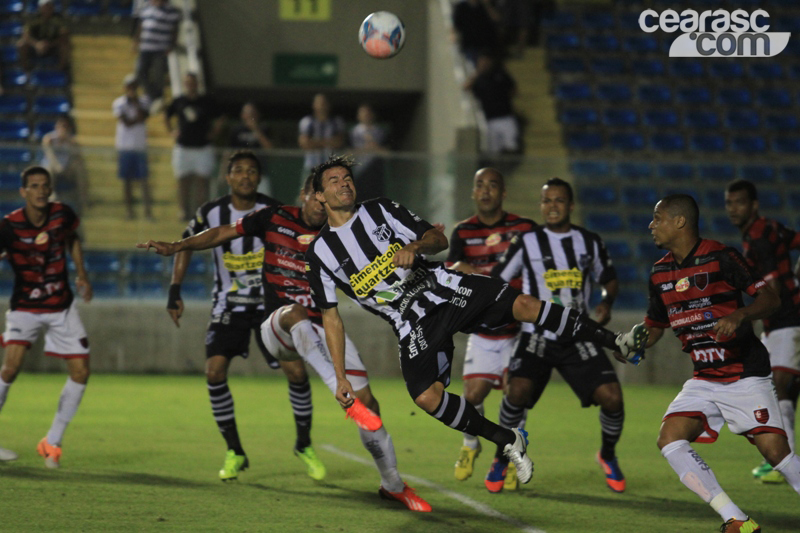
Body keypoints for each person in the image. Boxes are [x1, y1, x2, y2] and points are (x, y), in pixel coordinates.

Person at [302, 155, 647, 493]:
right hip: (410, 323)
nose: (344, 183)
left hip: (445, 288)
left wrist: (416, 244)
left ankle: (617, 341)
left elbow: (440, 241)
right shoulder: (319, 253)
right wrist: (340, 375)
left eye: (346, 178)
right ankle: (507, 439)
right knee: (425, 397)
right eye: (334, 181)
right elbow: (331, 316)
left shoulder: (381, 209)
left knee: (524, 304)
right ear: (319, 195)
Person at [137, 157, 430, 512]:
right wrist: (178, 245)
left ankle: (392, 483)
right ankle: (338, 391)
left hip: (325, 326)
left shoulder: (339, 236)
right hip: (277, 325)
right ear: (308, 194)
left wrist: (418, 243)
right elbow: (221, 233)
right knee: (294, 314)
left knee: (371, 404)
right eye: (318, 198)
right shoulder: (275, 217)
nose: (322, 206)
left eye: (327, 201)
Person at [628, 194, 800, 532]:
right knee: (670, 438)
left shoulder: (722, 257)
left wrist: (740, 314)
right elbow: (655, 325)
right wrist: (633, 342)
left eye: (657, 218)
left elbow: (770, 298)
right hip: (704, 379)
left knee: (776, 454)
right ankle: (735, 519)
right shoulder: (660, 272)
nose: (651, 225)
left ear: (680, 222)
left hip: (744, 374)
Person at [492, 177, 626, 493]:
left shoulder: (589, 241)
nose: (552, 206)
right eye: (547, 200)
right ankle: (501, 457)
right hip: (536, 334)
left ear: (570, 205)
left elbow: (609, 278)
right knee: (516, 393)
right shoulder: (525, 241)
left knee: (612, 398)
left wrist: (606, 301)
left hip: (578, 334)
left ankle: (607, 455)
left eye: (559, 200)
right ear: (541, 206)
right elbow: (499, 280)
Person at [445, 168, 535, 491]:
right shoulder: (463, 231)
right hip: (483, 331)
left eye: (492, 185)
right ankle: (471, 443)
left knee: (516, 395)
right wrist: (460, 268)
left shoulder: (524, 228)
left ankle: (510, 457)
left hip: (519, 331)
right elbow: (452, 272)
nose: (485, 191)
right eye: (479, 185)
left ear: (503, 192)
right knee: (472, 396)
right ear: (472, 193)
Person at [0, 166, 93, 469]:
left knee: (81, 371)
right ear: (23, 192)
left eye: (45, 185)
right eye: (34, 186)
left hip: (61, 307)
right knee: (10, 369)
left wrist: (81, 275)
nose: (41, 190)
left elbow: (73, 239)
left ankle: (52, 442)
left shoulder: (61, 214)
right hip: (25, 307)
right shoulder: (9, 226)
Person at [725, 179, 800, 485]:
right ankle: (783, 458)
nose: (733, 208)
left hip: (786, 320)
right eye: (729, 203)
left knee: (778, 387)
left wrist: (748, 322)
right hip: (781, 321)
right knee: (782, 388)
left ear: (753, 205)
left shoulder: (758, 237)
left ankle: (785, 461)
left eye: (739, 202)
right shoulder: (770, 228)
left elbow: (772, 287)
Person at [165, 72, 222, 221]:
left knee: (202, 181)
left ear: (197, 84)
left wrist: (214, 133)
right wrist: (171, 131)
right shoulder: (179, 101)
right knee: (183, 181)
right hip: (183, 147)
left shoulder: (206, 101)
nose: (190, 85)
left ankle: (201, 213)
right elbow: (167, 115)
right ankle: (183, 211)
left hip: (203, 147)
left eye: (192, 82)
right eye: (187, 82)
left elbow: (220, 118)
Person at [113, 74, 152, 220]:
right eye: (130, 87)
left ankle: (147, 212)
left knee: (143, 181)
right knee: (127, 181)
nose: (132, 90)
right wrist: (137, 116)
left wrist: (136, 103)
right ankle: (129, 211)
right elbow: (126, 122)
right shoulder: (119, 103)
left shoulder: (143, 101)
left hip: (140, 146)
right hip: (125, 147)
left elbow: (143, 116)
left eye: (134, 87)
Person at [464, 52, 519, 156]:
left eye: (486, 61)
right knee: (494, 152)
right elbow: (466, 87)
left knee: (511, 148)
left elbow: (513, 89)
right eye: (481, 62)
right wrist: (477, 73)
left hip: (506, 117)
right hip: (490, 120)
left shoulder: (500, 74)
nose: (484, 64)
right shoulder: (479, 80)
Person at [133, 0, 181, 109]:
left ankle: (159, 97)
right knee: (140, 72)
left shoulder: (171, 11)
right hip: (145, 47)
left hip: (160, 48)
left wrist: (172, 45)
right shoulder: (146, 7)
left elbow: (175, 30)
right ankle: (155, 97)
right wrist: (136, 41)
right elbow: (140, 26)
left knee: (158, 74)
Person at [41, 115, 89, 214]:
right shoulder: (49, 139)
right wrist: (57, 166)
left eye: (65, 126)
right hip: (53, 166)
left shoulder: (72, 141)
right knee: (47, 170)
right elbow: (49, 155)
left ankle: (83, 199)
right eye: (60, 126)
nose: (62, 129)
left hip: (67, 167)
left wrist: (70, 142)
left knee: (80, 168)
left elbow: (78, 157)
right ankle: (50, 197)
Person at [225, 102, 273, 197]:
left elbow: (269, 148)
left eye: (252, 113)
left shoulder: (264, 128)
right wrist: (224, 171)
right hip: (239, 173)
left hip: (260, 173)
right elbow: (228, 152)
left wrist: (255, 129)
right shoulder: (236, 130)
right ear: (242, 115)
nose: (250, 116)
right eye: (247, 113)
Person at [297, 93, 345, 179]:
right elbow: (304, 144)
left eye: (324, 103)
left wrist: (315, 142)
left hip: (331, 166)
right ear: (314, 105)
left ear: (328, 105)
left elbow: (339, 142)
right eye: (319, 103)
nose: (322, 106)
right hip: (312, 166)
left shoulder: (336, 122)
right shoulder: (307, 122)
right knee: (308, 191)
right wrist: (328, 142)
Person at [17, 0, 70, 73]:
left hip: (53, 46)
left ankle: (61, 69)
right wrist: (36, 44)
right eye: (45, 7)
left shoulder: (59, 19)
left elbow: (64, 35)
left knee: (65, 45)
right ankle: (25, 69)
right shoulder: (33, 18)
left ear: (53, 7)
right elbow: (25, 34)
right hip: (35, 46)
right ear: (40, 8)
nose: (47, 9)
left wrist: (49, 44)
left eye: (49, 6)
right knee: (21, 44)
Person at [349, 103, 388, 201]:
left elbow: (387, 152)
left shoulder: (380, 132)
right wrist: (364, 149)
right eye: (363, 113)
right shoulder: (353, 132)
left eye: (368, 113)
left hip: (376, 173)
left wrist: (374, 146)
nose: (366, 116)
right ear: (358, 116)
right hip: (358, 172)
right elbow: (347, 152)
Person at [451, 0, 501, 65]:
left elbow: (497, 19)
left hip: (487, 45)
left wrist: (487, 5)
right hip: (470, 45)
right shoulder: (461, 7)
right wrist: (454, 36)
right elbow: (455, 26)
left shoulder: (487, 5)